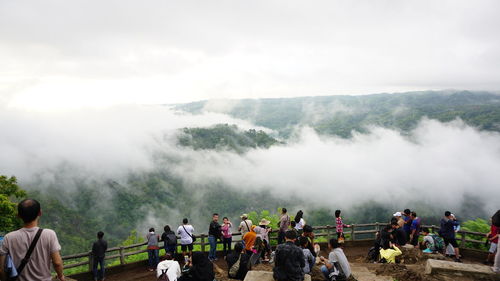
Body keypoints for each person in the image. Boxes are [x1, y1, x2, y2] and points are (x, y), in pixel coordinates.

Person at [0, 199, 66, 281]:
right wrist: (61, 276)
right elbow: (57, 263)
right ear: (40, 213)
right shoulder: (49, 234)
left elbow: (1, 269)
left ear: (18, 215)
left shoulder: (8, 238)